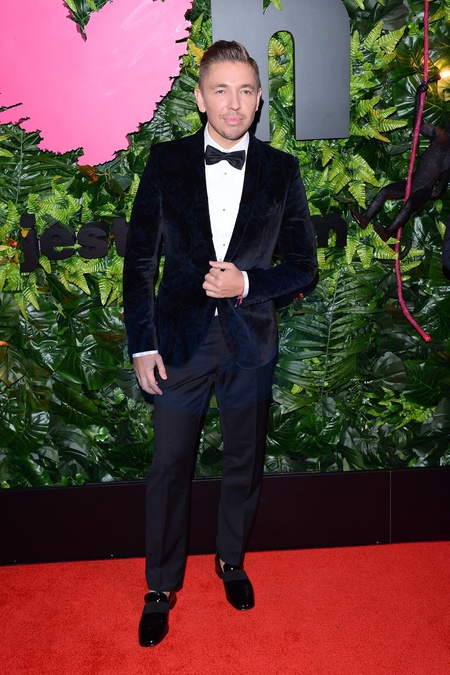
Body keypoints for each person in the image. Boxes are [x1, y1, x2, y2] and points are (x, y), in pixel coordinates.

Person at [123, 40, 318, 648]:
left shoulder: (282, 170)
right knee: (168, 468)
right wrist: (142, 343)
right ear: (201, 97)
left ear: (259, 101)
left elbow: (304, 267)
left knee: (243, 464)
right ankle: (161, 586)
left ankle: (231, 560)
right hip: (178, 345)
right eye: (221, 90)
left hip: (248, 343)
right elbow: (139, 262)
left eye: (245, 91)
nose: (234, 104)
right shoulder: (166, 161)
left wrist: (248, 283)